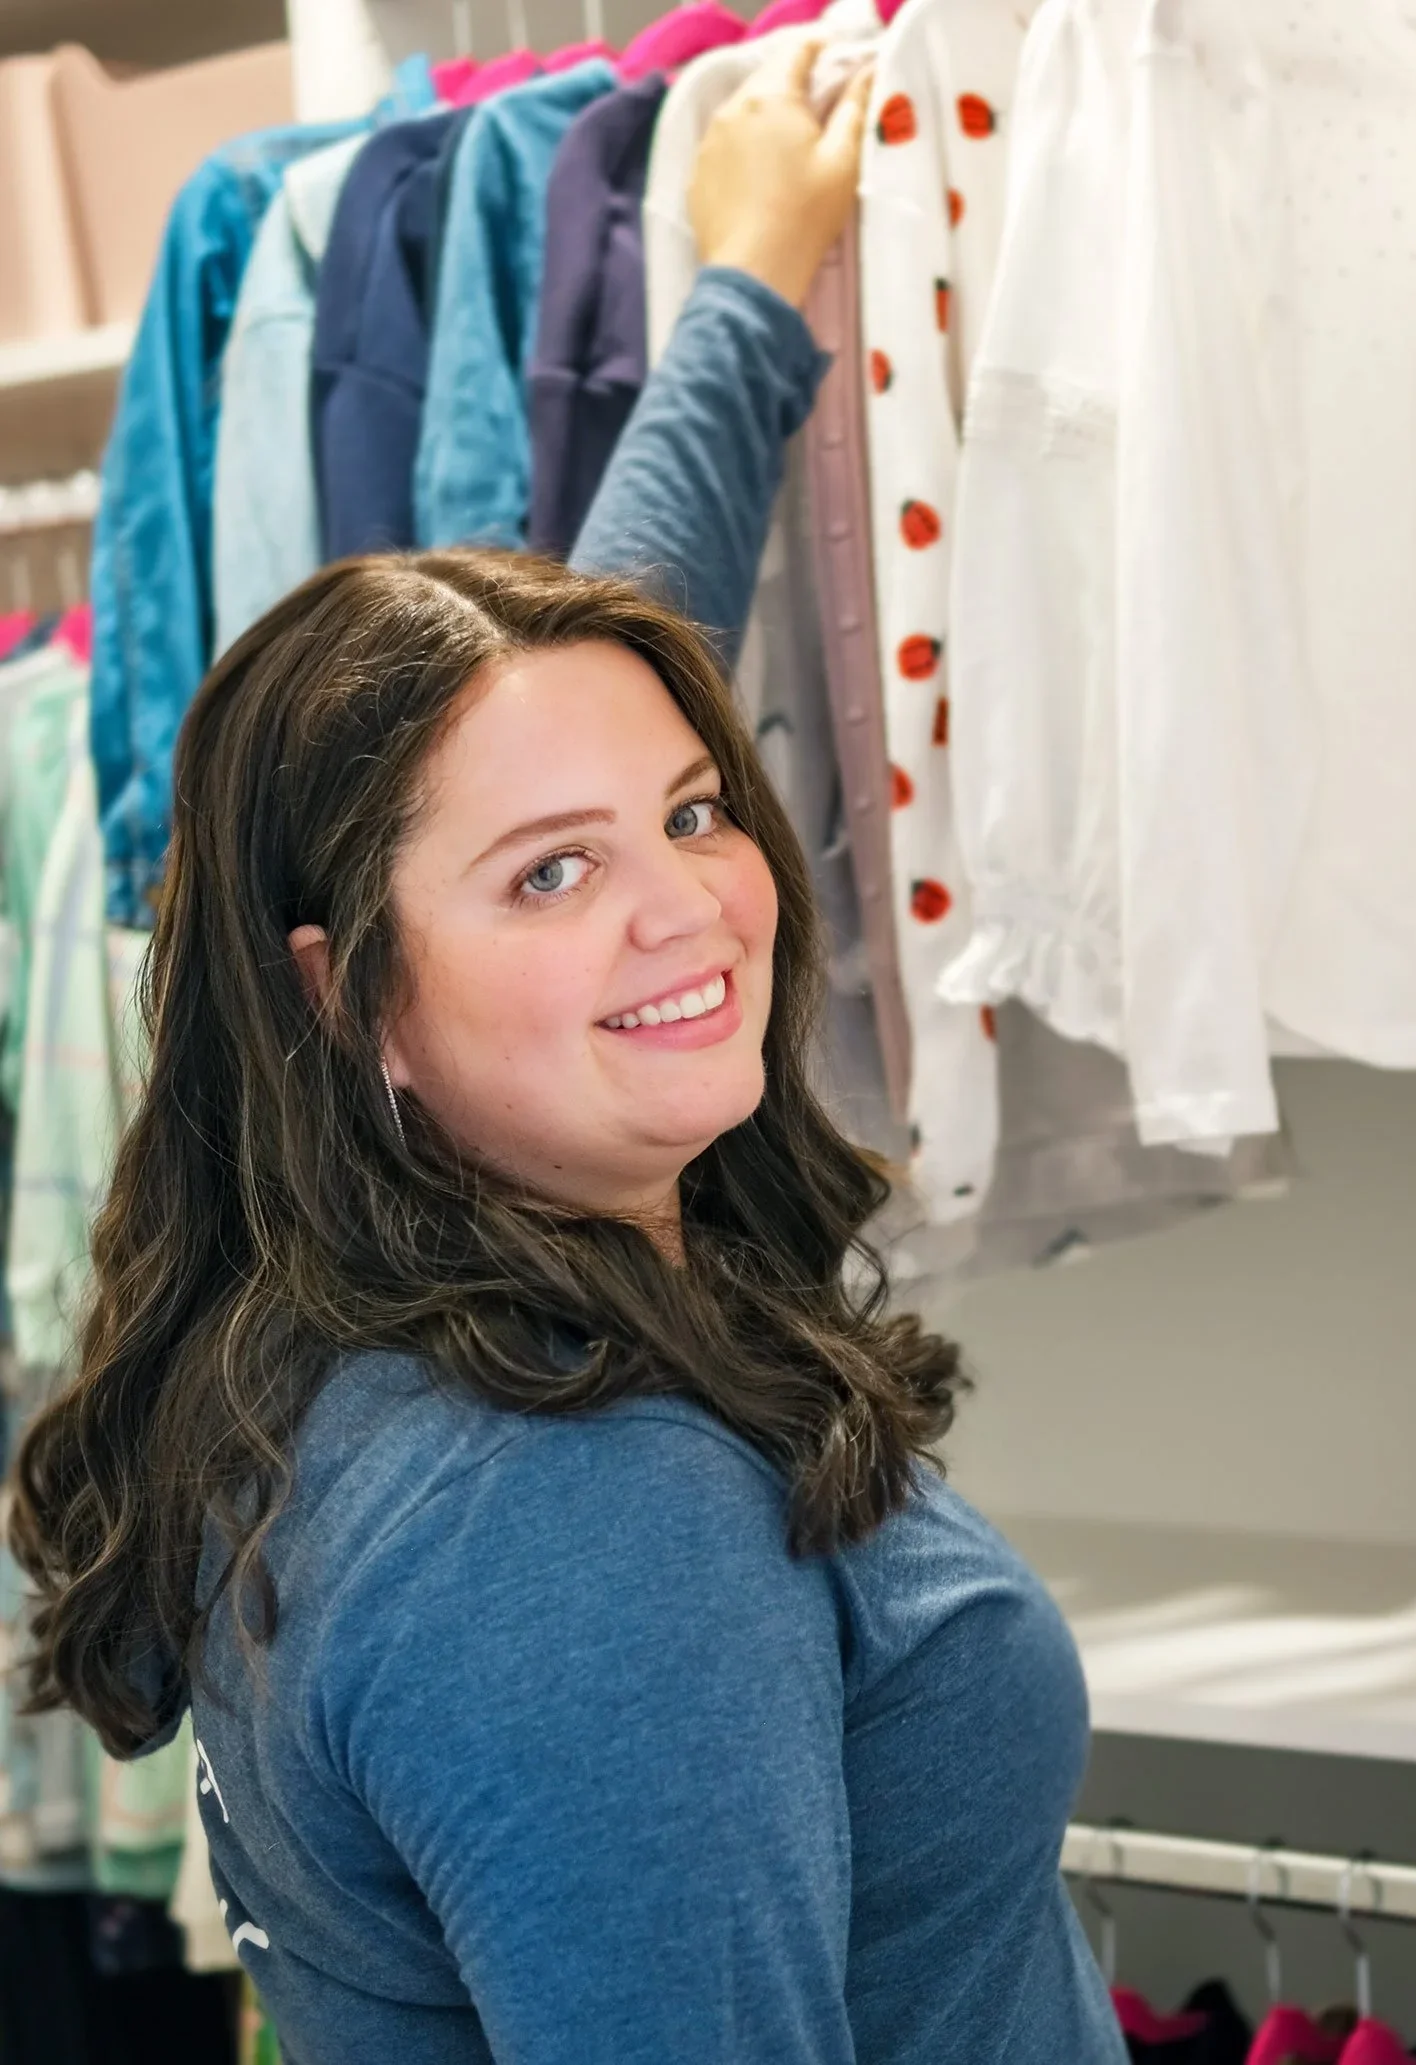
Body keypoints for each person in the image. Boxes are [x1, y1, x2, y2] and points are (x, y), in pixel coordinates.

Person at [7, 43, 1128, 2065]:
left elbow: (578, 690)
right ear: (348, 995)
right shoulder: (585, 1515)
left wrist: (750, 296)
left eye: (700, 812)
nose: (687, 906)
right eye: (551, 879)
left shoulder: (360, 1322)